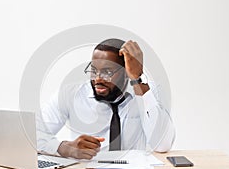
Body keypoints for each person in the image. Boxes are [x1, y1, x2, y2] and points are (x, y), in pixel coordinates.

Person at [36, 38, 175, 160]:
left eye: (107, 72)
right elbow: (33, 136)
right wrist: (66, 148)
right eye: (94, 70)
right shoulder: (69, 94)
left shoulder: (147, 92)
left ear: (126, 72)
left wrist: (137, 80)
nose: (97, 79)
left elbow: (163, 145)